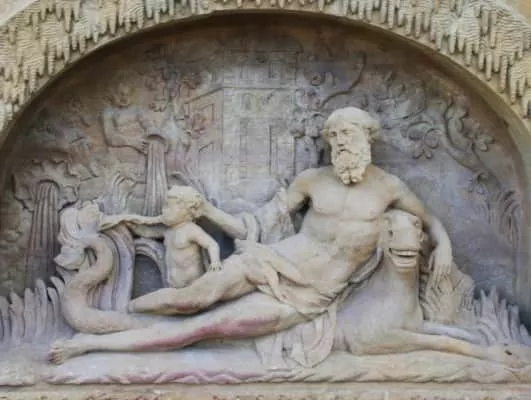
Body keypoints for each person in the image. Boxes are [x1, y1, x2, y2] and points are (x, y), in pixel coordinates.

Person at [49, 107, 453, 363]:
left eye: (347, 135)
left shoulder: (389, 188)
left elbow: (430, 221)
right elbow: (255, 225)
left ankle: (89, 344)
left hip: (310, 295)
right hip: (271, 260)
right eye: (334, 138)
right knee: (192, 299)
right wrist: (207, 211)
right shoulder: (312, 180)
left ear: (367, 138)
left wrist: (446, 245)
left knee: (203, 327)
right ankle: (110, 320)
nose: (340, 144)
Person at [102, 186, 222, 289]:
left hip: (193, 284)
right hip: (173, 285)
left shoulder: (190, 230)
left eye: (169, 207)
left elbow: (211, 244)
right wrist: (134, 227)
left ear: (185, 210)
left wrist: (215, 262)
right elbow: (149, 233)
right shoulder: (168, 231)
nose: (164, 211)